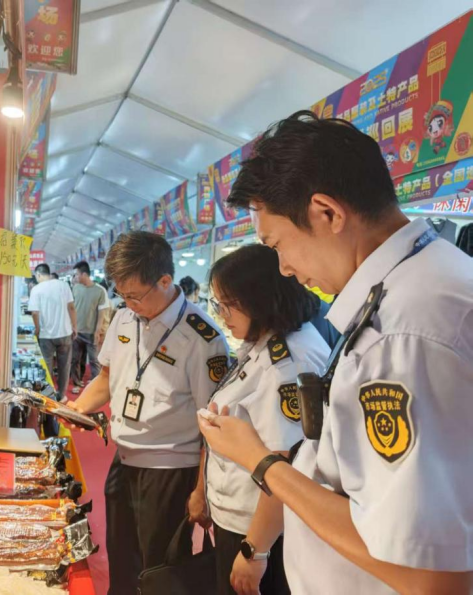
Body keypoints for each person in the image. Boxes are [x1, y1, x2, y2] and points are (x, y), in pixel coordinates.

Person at [198, 110, 473, 594]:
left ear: (327, 213)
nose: (284, 268)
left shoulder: (403, 332)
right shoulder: (414, 286)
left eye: (278, 244)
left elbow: (430, 574)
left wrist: (261, 462)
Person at [66, 231, 229, 595]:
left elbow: (212, 424)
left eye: (135, 296)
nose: (129, 304)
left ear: (165, 281)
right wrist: (77, 408)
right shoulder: (124, 319)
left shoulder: (203, 337)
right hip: (123, 461)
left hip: (170, 469)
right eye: (122, 295)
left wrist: (201, 489)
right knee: (121, 558)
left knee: (159, 570)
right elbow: (106, 378)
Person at [198, 244, 329, 595]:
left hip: (260, 531)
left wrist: (254, 550)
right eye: (218, 304)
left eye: (229, 304)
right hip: (241, 518)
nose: (222, 314)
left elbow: (287, 466)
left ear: (260, 298)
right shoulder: (264, 341)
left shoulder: (288, 364)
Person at [28, 263, 77, 402]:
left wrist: (37, 328)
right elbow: (71, 307)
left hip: (46, 336)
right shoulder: (63, 285)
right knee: (64, 366)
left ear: (38, 274)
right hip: (65, 332)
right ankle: (61, 395)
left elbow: (35, 313)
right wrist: (74, 326)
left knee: (46, 367)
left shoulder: (36, 289)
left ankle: (48, 395)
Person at [70, 261, 110, 394]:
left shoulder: (99, 290)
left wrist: (98, 331)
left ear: (84, 274)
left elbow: (102, 312)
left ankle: (95, 385)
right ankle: (77, 382)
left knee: (94, 360)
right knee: (75, 359)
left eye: (76, 274)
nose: (75, 277)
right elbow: (71, 308)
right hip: (77, 331)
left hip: (91, 332)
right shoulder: (75, 288)